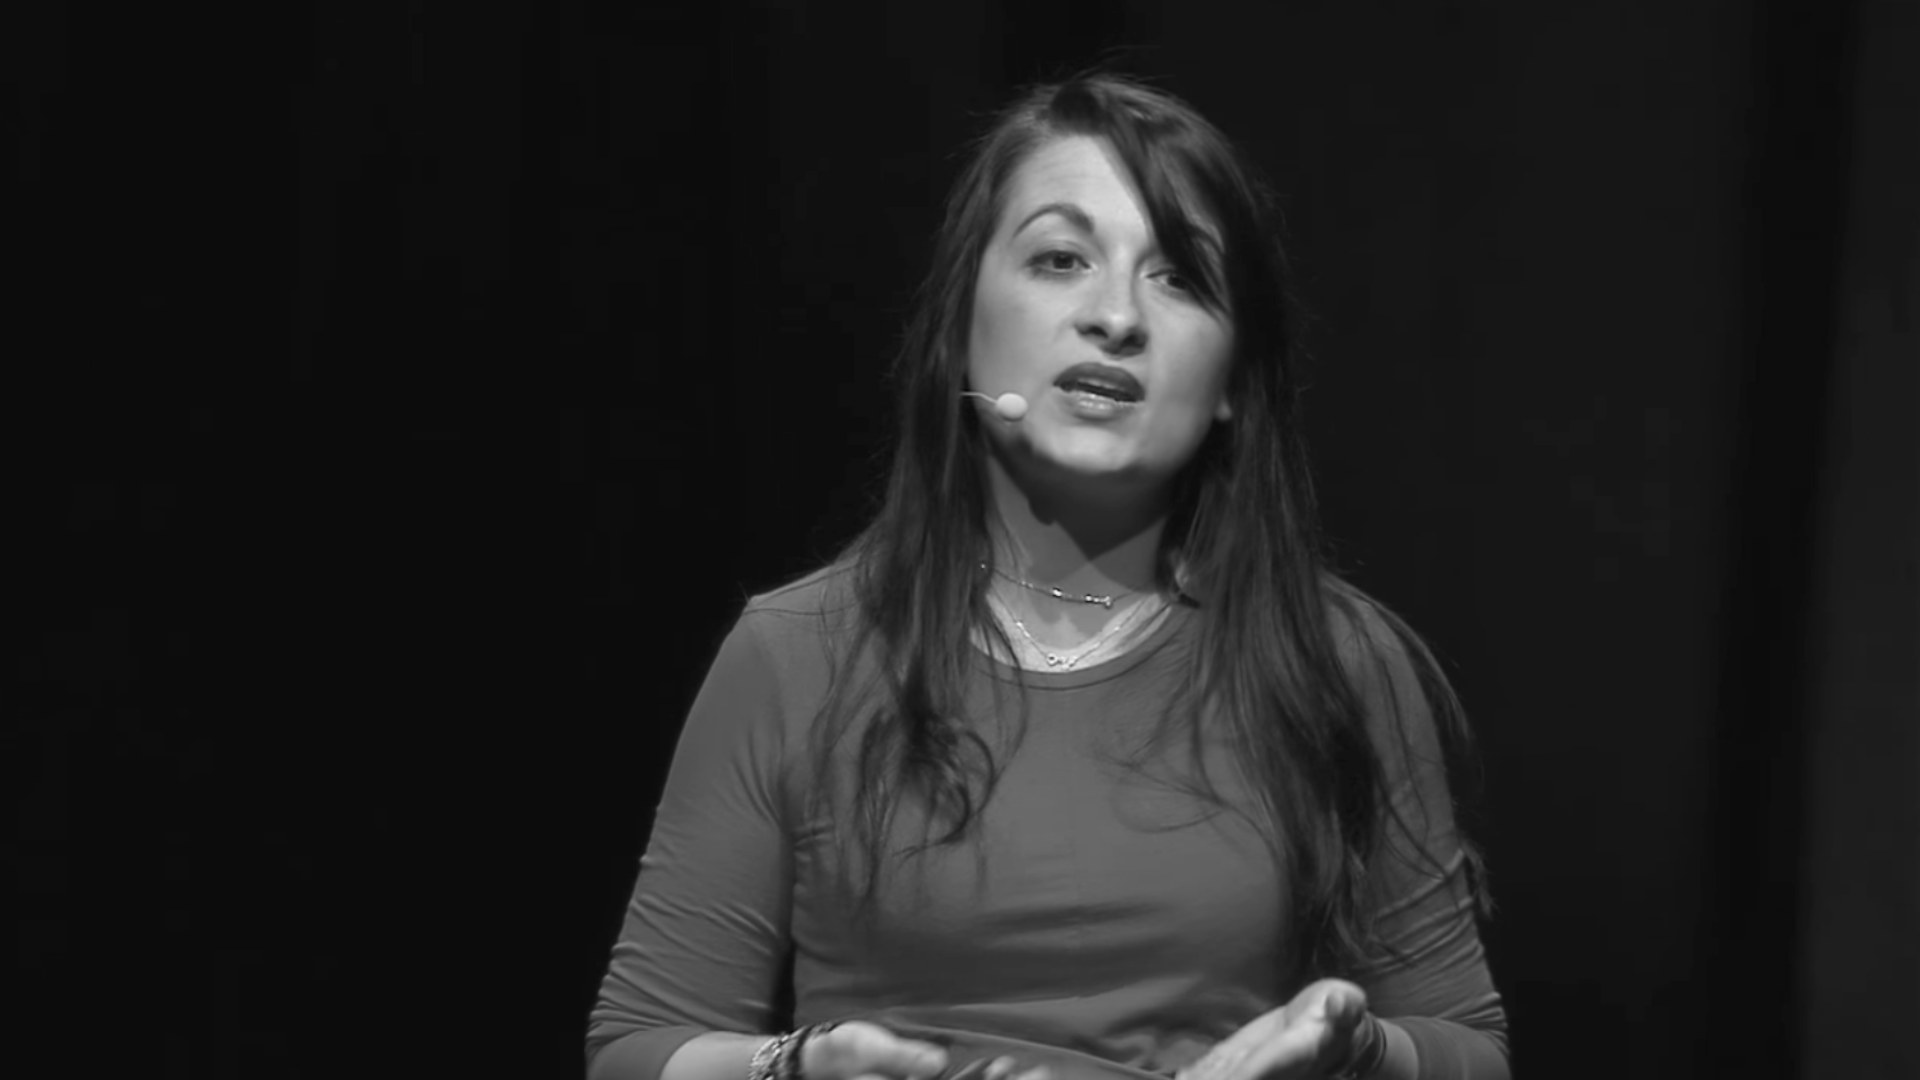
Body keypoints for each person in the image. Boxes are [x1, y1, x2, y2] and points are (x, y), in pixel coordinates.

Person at [588, 72, 1508, 1080]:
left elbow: (1469, 1047)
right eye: (1062, 259)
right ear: (958, 327)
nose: (1116, 316)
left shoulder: (1331, 658)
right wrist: (798, 1068)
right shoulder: (795, 653)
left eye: (1180, 277)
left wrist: (1356, 1053)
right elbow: (637, 1046)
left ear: (1234, 386)